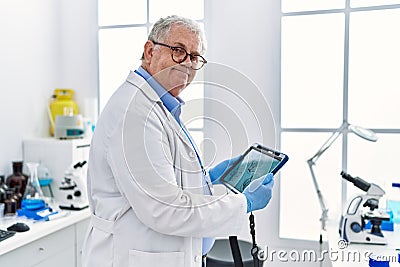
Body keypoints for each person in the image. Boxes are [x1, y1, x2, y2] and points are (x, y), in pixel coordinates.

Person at [82, 15, 275, 267]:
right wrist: (243, 203)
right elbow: (166, 209)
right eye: (178, 51)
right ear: (149, 51)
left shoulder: (159, 106)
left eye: (194, 57)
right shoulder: (134, 114)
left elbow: (161, 182)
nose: (187, 63)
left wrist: (207, 179)